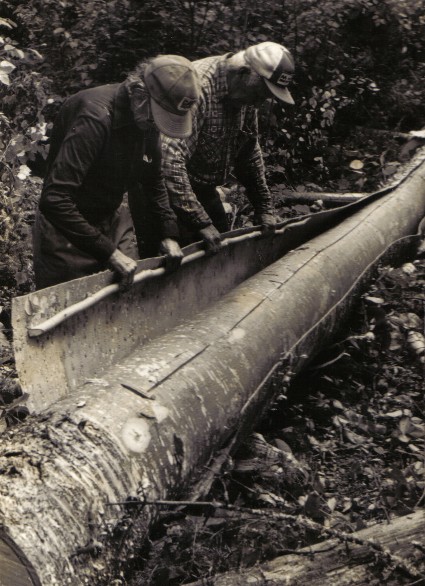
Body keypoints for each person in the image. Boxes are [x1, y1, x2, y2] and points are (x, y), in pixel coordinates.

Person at [33, 55, 201, 290]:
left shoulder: (146, 118)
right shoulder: (95, 118)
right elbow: (54, 199)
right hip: (66, 228)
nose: (157, 127)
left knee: (128, 295)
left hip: (110, 216)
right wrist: (109, 252)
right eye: (157, 118)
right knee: (69, 310)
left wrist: (168, 232)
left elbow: (152, 180)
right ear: (140, 94)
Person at [161, 42, 295, 253]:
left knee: (220, 251)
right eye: (261, 93)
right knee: (172, 263)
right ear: (243, 73)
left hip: (200, 188)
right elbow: (169, 161)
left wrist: (264, 207)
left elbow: (249, 152)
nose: (260, 102)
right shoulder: (197, 87)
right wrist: (200, 222)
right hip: (160, 192)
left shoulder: (247, 98)